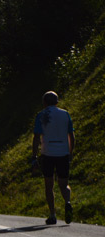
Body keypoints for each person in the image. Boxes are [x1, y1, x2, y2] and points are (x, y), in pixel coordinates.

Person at [31, 91, 75, 225]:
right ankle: (67, 202)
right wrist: (70, 152)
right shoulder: (65, 114)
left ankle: (52, 215)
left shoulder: (41, 115)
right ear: (57, 102)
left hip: (47, 153)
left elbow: (37, 138)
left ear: (44, 102)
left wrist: (34, 156)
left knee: (49, 185)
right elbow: (71, 136)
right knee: (63, 184)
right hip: (63, 152)